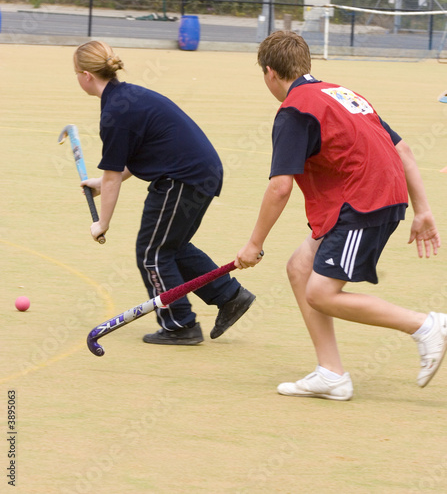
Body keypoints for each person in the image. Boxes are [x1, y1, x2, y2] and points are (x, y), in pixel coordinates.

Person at [235, 31, 447, 400]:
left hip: (364, 204)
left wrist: (254, 244)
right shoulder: (345, 94)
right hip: (368, 198)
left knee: (321, 293)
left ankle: (427, 326)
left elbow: (280, 187)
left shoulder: (293, 110)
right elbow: (405, 150)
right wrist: (422, 211)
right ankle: (331, 373)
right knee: (300, 268)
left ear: (270, 72)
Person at [74, 40, 255, 345]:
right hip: (202, 172)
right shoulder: (125, 97)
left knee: (152, 252)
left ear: (86, 76)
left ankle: (180, 324)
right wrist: (100, 184)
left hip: (182, 178)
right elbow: (137, 154)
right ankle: (230, 296)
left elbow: (114, 175)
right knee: (172, 246)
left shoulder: (115, 112)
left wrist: (102, 223)